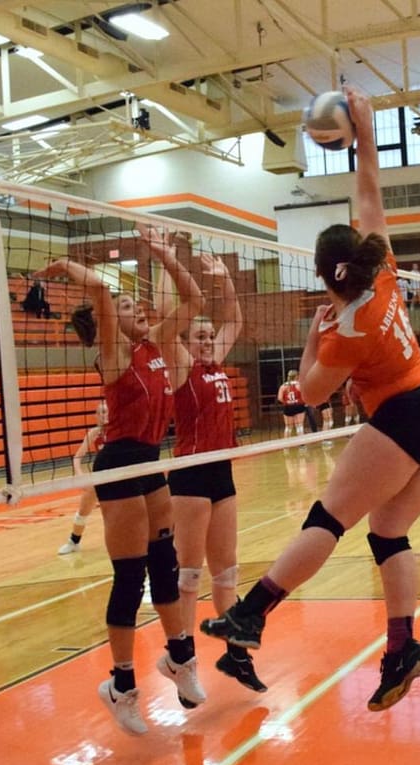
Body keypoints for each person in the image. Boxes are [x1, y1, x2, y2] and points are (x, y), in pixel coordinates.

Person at [201, 87, 420, 714]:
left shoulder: (346, 331)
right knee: (388, 532)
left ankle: (251, 614)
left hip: (400, 415)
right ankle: (402, 648)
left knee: (328, 518)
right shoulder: (386, 273)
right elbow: (369, 193)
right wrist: (365, 134)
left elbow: (307, 396)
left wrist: (308, 344)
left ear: (323, 277)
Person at [37, 222, 205, 734]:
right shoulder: (113, 354)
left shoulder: (156, 344)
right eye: (128, 308)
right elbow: (103, 293)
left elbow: (194, 300)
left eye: (138, 306)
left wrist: (165, 254)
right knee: (131, 576)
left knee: (166, 567)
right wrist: (66, 268)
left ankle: (180, 658)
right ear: (110, 322)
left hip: (152, 461)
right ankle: (121, 686)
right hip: (120, 465)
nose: (138, 309)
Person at [167, 254, 266, 696]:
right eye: (200, 336)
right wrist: (169, 260)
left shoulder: (216, 363)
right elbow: (174, 322)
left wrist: (225, 279)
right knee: (189, 575)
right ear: (188, 341)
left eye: (211, 335)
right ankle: (182, 659)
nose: (208, 340)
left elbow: (236, 319)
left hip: (221, 473)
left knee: (226, 572)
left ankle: (235, 654)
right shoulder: (183, 367)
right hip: (189, 474)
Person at [57, 401, 108, 555]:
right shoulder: (94, 433)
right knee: (83, 510)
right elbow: (77, 457)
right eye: (99, 413)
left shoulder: (119, 432)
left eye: (105, 412)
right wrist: (80, 475)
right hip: (100, 476)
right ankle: (74, 541)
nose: (102, 416)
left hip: (119, 476)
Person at [277, 369, 306, 440]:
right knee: (299, 426)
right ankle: (302, 445)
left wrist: (287, 402)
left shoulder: (283, 386)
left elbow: (280, 398)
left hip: (288, 407)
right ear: (297, 376)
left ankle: (286, 446)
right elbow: (305, 396)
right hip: (299, 406)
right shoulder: (300, 385)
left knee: (288, 427)